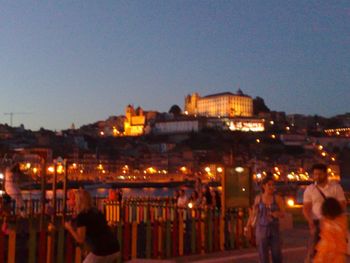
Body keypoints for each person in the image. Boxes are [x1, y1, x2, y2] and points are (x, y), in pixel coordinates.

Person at [303, 163, 346, 261]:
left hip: (332, 222)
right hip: (317, 221)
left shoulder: (336, 188)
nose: (317, 176)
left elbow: (342, 204)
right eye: (315, 174)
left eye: (320, 174)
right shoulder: (310, 189)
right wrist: (310, 222)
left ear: (326, 174)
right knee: (315, 248)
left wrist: (332, 217)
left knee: (334, 249)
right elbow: (306, 208)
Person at [64, 189, 120, 263]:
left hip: (101, 251)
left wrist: (69, 228)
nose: (67, 202)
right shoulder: (96, 211)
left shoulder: (82, 216)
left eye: (69, 199)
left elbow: (80, 239)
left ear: (77, 201)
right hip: (114, 247)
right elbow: (97, 231)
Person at [245, 175, 285, 263]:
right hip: (261, 228)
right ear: (264, 186)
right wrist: (247, 226)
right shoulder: (258, 198)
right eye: (269, 185)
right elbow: (253, 214)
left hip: (274, 228)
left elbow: (283, 213)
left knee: (276, 253)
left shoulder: (277, 199)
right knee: (263, 254)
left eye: (273, 185)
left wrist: (276, 214)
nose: (271, 187)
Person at [313, 197, 347, 263]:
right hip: (339, 251)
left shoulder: (325, 221)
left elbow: (321, 235)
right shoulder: (343, 220)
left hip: (325, 251)